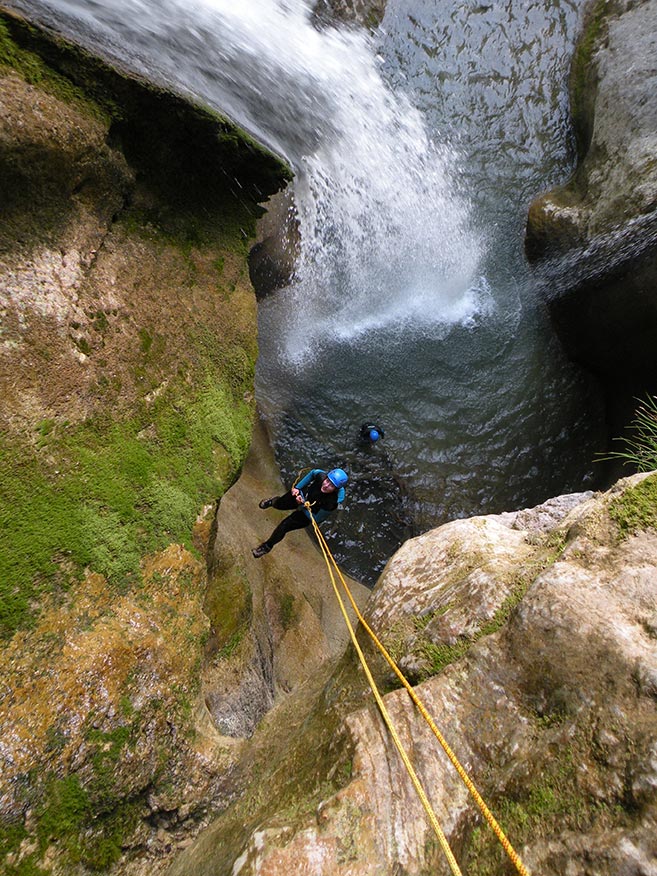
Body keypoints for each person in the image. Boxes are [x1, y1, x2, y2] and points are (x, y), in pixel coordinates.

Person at [252, 467, 348, 558]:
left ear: (335, 489)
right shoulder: (320, 476)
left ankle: (266, 547)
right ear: (326, 477)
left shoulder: (331, 502)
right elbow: (312, 473)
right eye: (327, 481)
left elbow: (317, 519)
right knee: (279, 505)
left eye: (331, 486)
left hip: (311, 512)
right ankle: (273, 502)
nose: (326, 486)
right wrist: (298, 488)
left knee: (285, 525)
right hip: (303, 495)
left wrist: (302, 505)